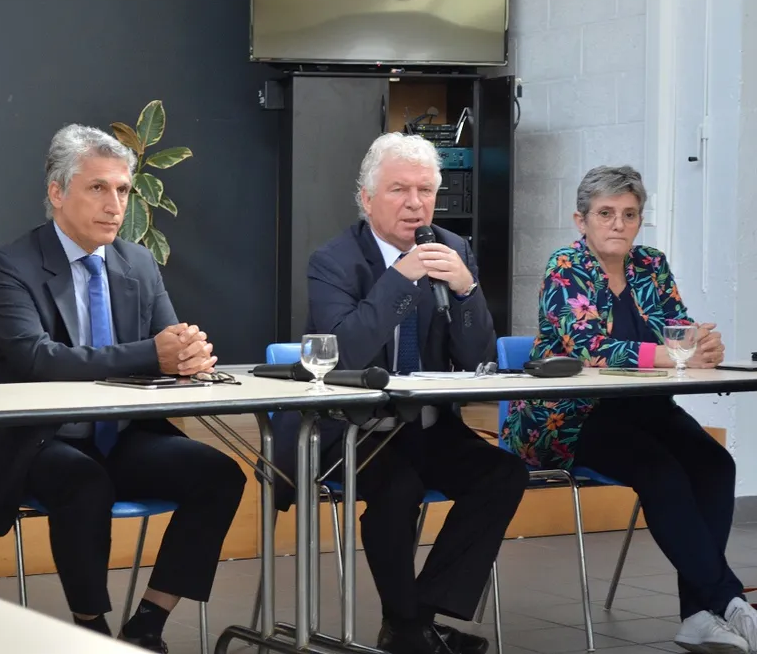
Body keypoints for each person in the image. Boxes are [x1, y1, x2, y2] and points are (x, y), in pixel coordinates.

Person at [0, 124, 246, 652]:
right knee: (83, 480)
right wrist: (154, 353)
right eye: (98, 188)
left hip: (123, 435)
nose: (114, 204)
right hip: (41, 441)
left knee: (219, 474)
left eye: (123, 190)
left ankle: (147, 624)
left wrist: (190, 356)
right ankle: (91, 628)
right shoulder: (11, 265)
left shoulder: (137, 262)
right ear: (57, 192)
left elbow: (169, 347)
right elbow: (36, 359)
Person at [275, 132, 528, 654]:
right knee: (399, 488)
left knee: (504, 473)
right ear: (367, 200)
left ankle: (415, 619)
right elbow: (342, 355)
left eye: (425, 191)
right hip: (353, 429)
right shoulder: (334, 261)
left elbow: (478, 357)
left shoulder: (454, 249)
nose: (416, 204)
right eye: (398, 190)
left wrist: (467, 290)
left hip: (428, 425)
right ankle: (411, 629)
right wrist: (400, 278)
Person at [504, 165, 756, 654]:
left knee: (715, 465)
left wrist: (702, 345)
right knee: (661, 473)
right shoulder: (565, 267)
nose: (618, 224)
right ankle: (726, 600)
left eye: (629, 214)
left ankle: (697, 616)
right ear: (581, 220)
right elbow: (586, 347)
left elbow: (676, 331)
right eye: (605, 213)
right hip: (570, 417)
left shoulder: (651, 264)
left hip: (643, 409)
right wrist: (671, 353)